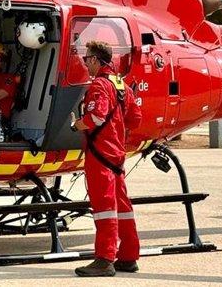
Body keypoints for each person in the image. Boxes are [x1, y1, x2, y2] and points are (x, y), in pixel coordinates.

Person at [70, 41, 142, 277]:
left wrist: (77, 124)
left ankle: (104, 259)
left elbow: (96, 117)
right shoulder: (120, 84)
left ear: (94, 59)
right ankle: (128, 256)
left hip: (100, 155)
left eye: (86, 59)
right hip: (117, 156)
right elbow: (135, 119)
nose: (85, 64)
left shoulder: (100, 84)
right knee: (122, 207)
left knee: (104, 208)